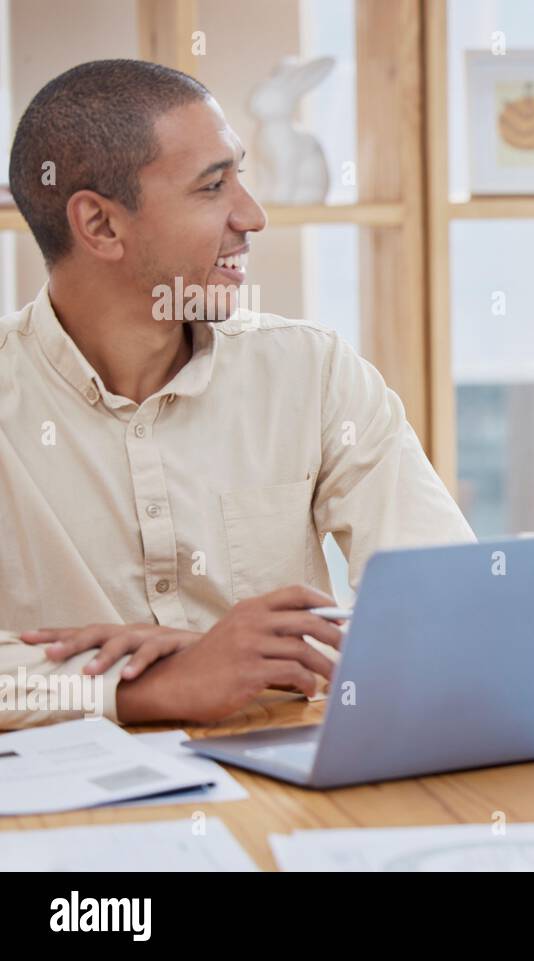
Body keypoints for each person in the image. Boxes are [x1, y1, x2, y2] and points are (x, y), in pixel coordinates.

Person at [0, 60, 473, 729]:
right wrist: (150, 689)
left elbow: (451, 600)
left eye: (239, 176)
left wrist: (214, 655)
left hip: (286, 791)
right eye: (213, 186)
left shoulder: (310, 370)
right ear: (101, 226)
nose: (252, 215)